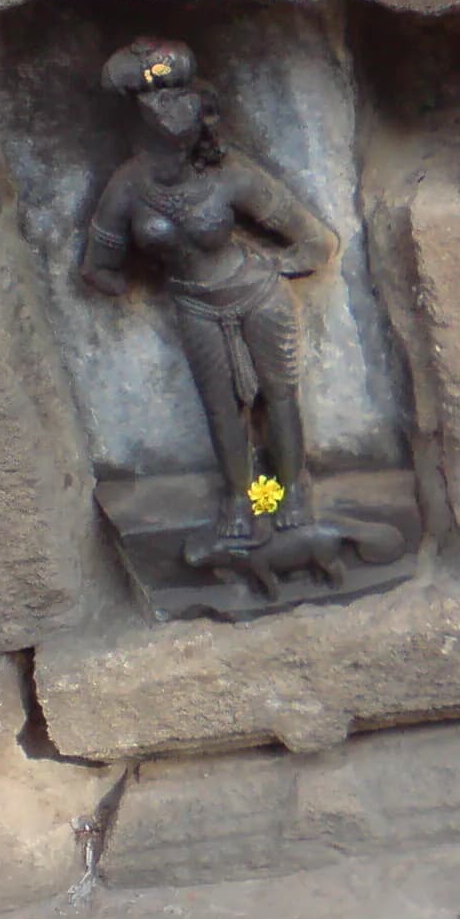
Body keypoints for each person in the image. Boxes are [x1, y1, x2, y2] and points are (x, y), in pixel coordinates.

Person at [79, 37, 336, 542]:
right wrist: (137, 276)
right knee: (222, 407)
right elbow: (97, 267)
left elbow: (314, 242)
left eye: (180, 102)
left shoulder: (230, 174)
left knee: (279, 397)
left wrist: (276, 265)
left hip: (257, 294)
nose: (170, 115)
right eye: (157, 102)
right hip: (195, 302)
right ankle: (240, 496)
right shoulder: (129, 187)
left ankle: (292, 488)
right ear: (140, 115)